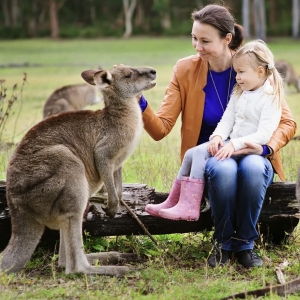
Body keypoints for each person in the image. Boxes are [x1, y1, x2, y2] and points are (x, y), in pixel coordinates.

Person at [139, 4, 296, 269]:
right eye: (194, 38)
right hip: (212, 155)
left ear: (227, 39)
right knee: (222, 171)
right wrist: (139, 102)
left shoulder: (253, 66)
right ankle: (223, 244)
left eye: (205, 41)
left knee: (254, 168)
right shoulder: (185, 70)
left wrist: (265, 149)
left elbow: (287, 123)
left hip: (253, 151)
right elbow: (160, 128)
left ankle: (246, 245)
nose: (197, 47)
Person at [146, 39, 283, 223]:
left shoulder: (268, 93)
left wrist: (246, 145)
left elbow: (272, 130)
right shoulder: (240, 90)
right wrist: (217, 136)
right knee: (190, 154)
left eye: (241, 72)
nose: (237, 77)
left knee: (202, 156)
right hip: (230, 143)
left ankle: (190, 206)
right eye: (193, 38)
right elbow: (227, 119)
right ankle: (174, 200)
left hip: (245, 147)